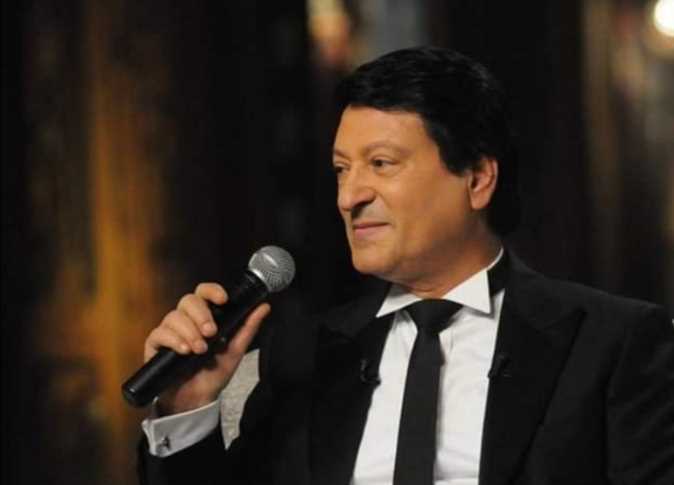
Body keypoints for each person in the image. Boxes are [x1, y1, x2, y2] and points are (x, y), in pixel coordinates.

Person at [137, 47, 674, 485]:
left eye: (381, 164)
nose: (349, 196)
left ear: (477, 180)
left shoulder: (612, 342)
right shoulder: (306, 355)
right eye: (341, 170)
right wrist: (187, 409)